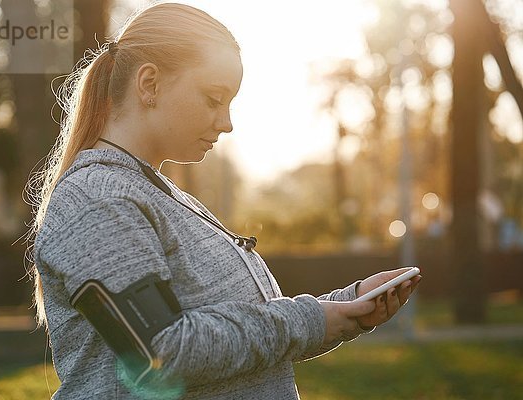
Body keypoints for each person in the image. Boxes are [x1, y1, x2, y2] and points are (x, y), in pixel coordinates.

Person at [28, 3, 422, 399]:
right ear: (149, 84)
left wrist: (346, 308)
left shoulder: (157, 195)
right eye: (214, 99)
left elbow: (248, 335)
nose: (227, 122)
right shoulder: (97, 198)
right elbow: (161, 354)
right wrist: (313, 319)